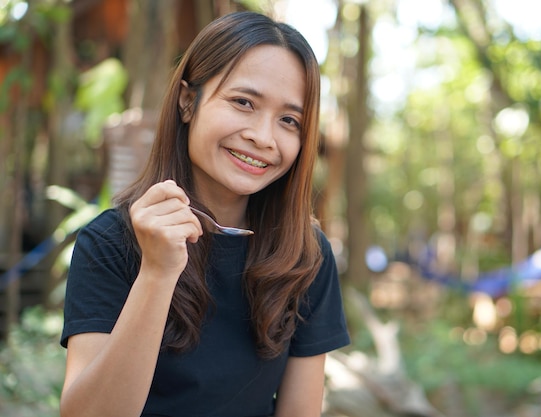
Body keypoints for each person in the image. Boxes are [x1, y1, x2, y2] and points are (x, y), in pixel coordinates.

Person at [59, 11, 350, 417]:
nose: (263, 137)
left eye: (288, 120)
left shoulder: (305, 254)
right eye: (243, 102)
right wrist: (158, 272)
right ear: (187, 101)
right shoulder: (111, 243)